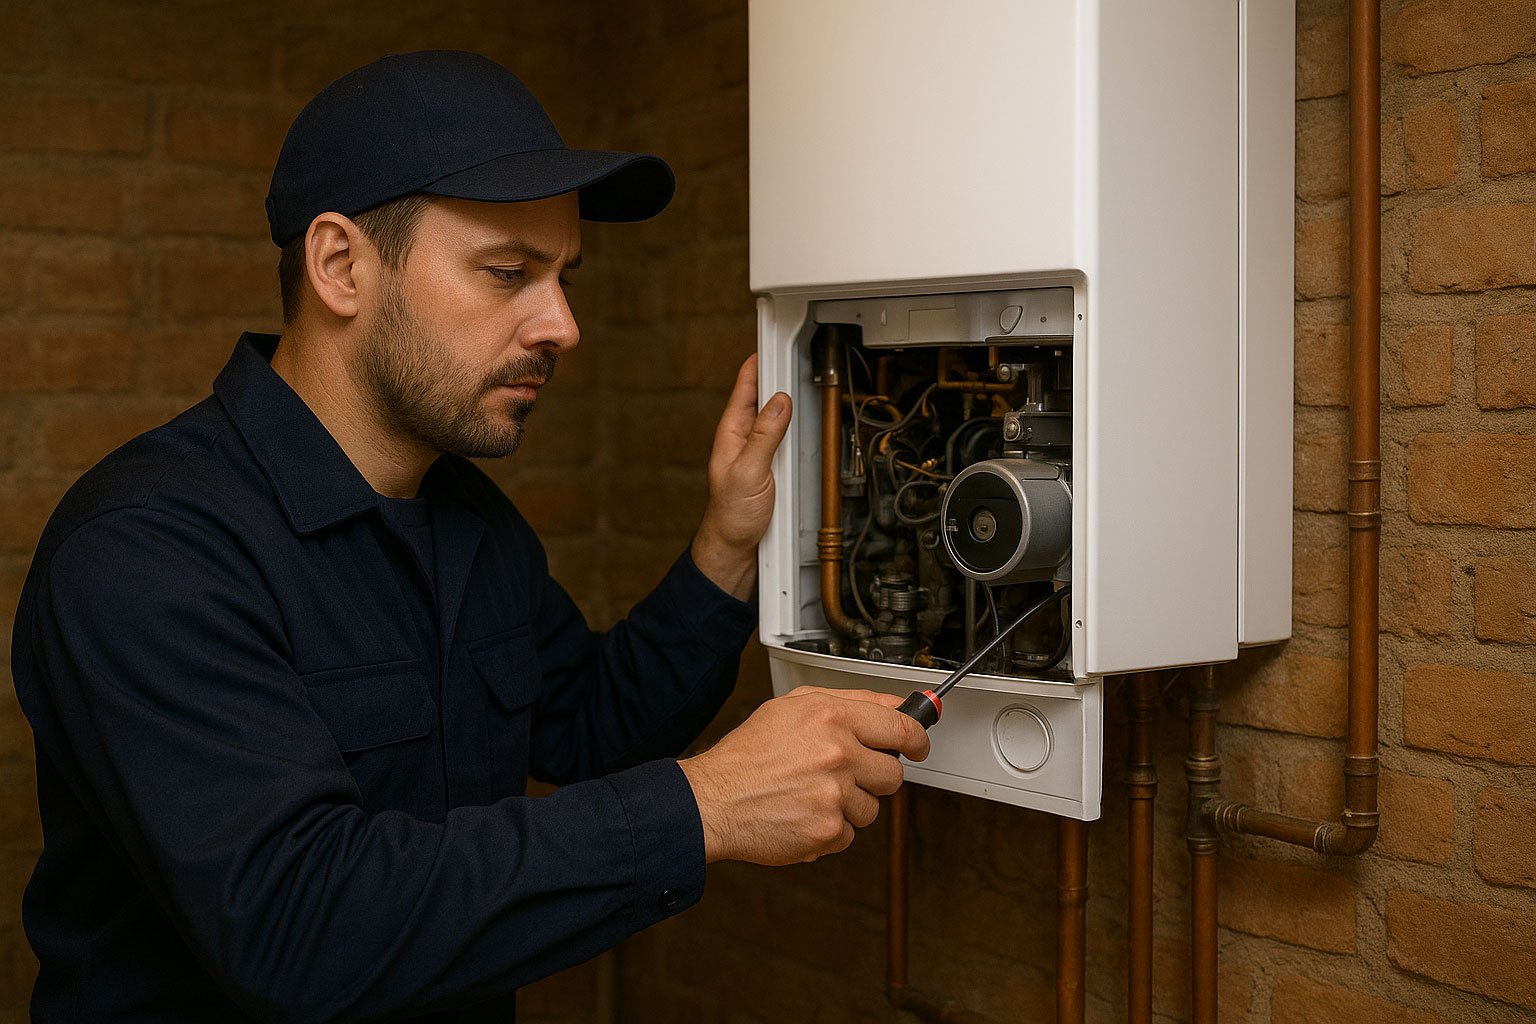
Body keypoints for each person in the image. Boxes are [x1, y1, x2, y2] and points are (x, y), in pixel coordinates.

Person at [8, 51, 929, 1022]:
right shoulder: (146, 549)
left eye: (563, 277)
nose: (563, 325)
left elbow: (592, 727)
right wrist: (704, 806)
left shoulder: (468, 519)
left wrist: (729, 544)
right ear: (340, 266)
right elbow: (296, 921)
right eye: (508, 273)